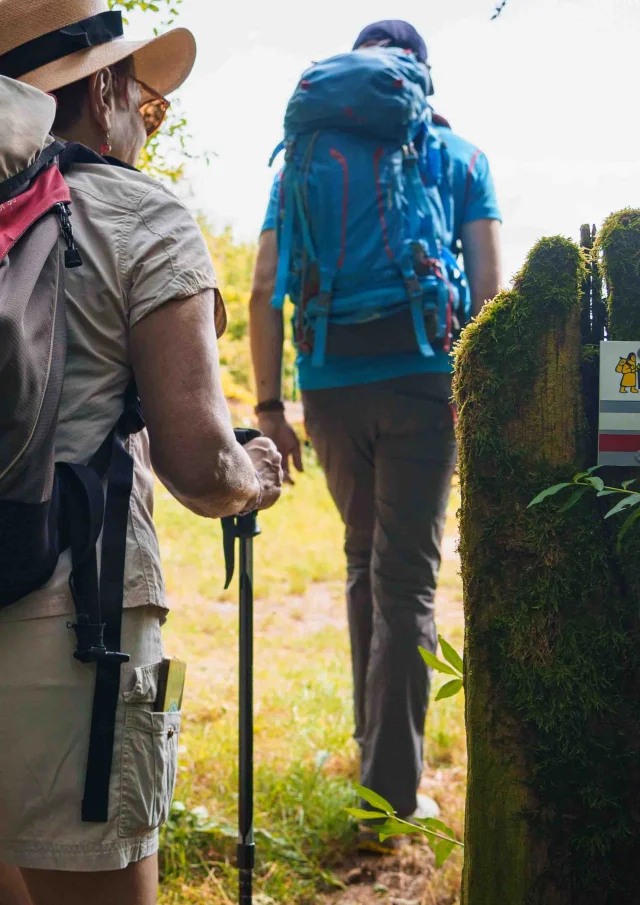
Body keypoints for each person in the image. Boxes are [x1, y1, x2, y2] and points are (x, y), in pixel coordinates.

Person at [0, 2, 282, 904]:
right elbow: (198, 462)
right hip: (66, 626)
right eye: (147, 105)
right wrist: (255, 474)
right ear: (106, 89)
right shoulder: (139, 210)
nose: (147, 129)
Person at [250, 19, 501, 850]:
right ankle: (389, 797)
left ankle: (374, 756)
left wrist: (269, 408)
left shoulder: (303, 157)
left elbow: (261, 291)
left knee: (364, 562)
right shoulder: (460, 157)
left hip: (327, 387)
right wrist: (478, 391)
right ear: (419, 77)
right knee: (408, 581)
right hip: (424, 380)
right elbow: (491, 294)